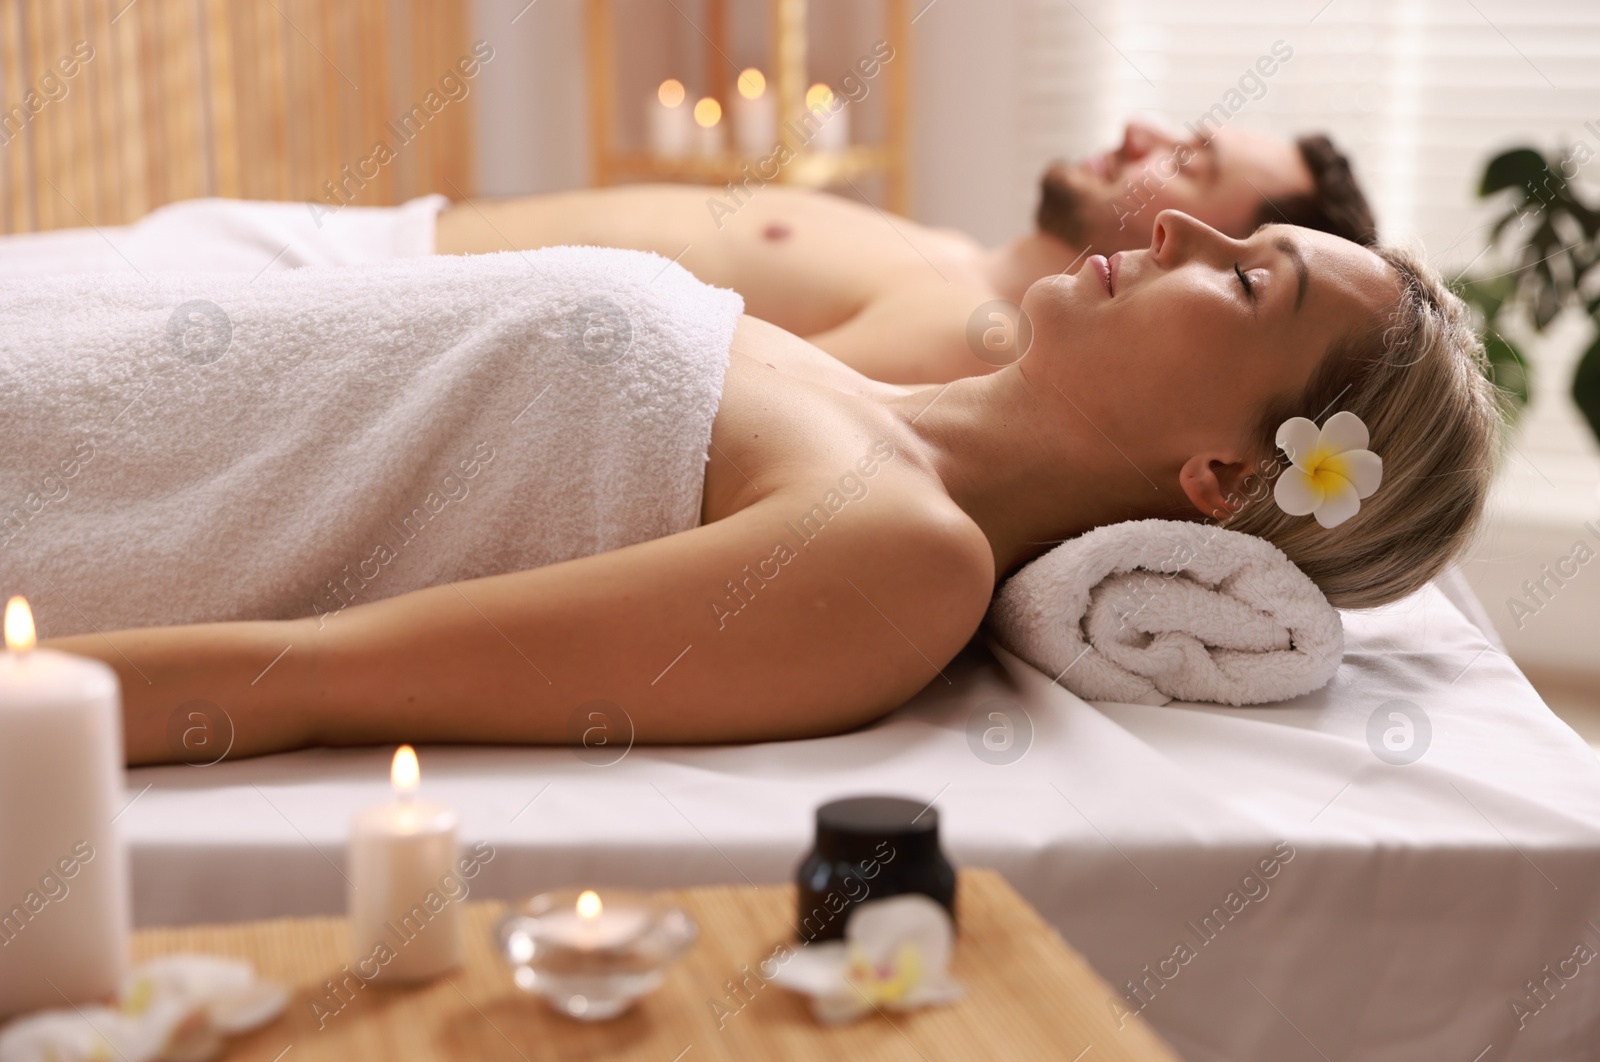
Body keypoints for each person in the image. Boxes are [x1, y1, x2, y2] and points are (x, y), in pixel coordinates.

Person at [36, 212, 1498, 766]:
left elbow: (322, 675)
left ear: (1229, 472)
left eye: (1246, 279)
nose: (1179, 222)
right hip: (76, 388)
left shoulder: (900, 554)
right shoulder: (868, 390)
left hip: (80, 521)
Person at [436, 121, 1379, 383]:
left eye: (1192, 162)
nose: (1141, 129)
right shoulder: (957, 264)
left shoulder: (969, 337)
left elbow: (673, 421)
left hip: (410, 315)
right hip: (387, 253)